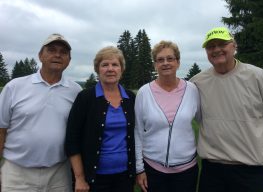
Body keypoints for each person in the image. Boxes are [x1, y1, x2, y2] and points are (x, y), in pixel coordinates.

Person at [190, 27, 263, 192]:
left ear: (234, 46)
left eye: (222, 44)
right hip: (212, 171)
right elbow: (198, 117)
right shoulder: (198, 82)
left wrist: (257, 141)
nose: (216, 49)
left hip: (250, 171)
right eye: (210, 46)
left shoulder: (258, 77)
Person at [0, 33, 82, 191]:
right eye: (51, 50)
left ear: (69, 60)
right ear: (40, 55)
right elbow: (1, 130)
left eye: (63, 52)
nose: (57, 55)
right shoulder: (14, 87)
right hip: (17, 172)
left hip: (60, 173)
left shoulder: (76, 91)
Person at [65, 46, 136, 192]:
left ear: (121, 69)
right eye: (105, 65)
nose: (110, 69)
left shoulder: (131, 98)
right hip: (93, 178)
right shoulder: (85, 98)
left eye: (115, 64)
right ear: (98, 70)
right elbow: (72, 139)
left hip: (125, 176)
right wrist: (79, 178)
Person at [135, 41, 201, 192]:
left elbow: (203, 122)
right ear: (155, 64)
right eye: (160, 60)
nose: (165, 63)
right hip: (152, 169)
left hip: (187, 170)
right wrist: (139, 169)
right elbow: (137, 132)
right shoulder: (144, 92)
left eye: (170, 59)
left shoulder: (192, 90)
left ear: (178, 62)